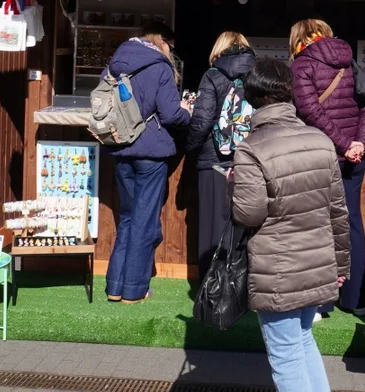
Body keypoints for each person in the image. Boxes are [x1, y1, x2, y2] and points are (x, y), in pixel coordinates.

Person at [232, 59, 350, 392]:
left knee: (286, 355)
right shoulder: (321, 141)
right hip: (317, 264)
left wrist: (234, 186)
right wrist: (340, 265)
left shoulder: (251, 148)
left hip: (279, 269)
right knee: (301, 341)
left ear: (251, 95)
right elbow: (338, 211)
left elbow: (248, 214)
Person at [289, 19, 365, 318]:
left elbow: (309, 111)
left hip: (319, 156)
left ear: (298, 38)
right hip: (352, 159)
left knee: (319, 227)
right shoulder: (350, 61)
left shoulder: (302, 65)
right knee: (351, 223)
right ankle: (357, 300)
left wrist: (342, 144)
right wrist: (359, 144)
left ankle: (320, 303)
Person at [104, 21, 191, 304]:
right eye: (171, 45)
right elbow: (170, 115)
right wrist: (187, 113)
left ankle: (115, 287)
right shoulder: (160, 66)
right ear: (162, 41)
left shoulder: (115, 63)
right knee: (143, 220)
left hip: (120, 148)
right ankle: (134, 290)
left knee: (127, 218)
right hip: (151, 154)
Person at [185, 31, 256, 272]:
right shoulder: (258, 75)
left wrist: (191, 149)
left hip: (213, 158)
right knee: (244, 223)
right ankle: (239, 287)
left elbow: (202, 121)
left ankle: (212, 289)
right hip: (249, 159)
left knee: (212, 226)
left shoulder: (213, 75)